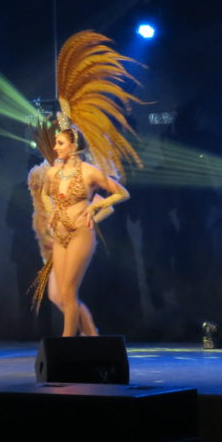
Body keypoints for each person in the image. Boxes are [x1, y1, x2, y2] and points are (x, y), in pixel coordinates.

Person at [41, 129, 128, 337]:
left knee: (68, 291)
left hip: (80, 234)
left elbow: (122, 193)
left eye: (60, 143)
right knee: (60, 294)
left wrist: (95, 206)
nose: (55, 147)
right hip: (59, 236)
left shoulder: (89, 172)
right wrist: (51, 211)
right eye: (56, 143)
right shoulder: (52, 173)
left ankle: (67, 340)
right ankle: (90, 335)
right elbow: (44, 194)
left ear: (73, 147)